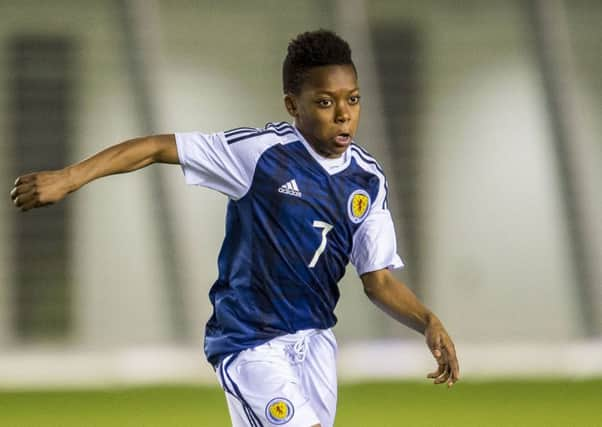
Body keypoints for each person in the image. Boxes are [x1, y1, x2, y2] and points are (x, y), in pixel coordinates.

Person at [10, 29, 459, 427]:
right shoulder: (260, 155)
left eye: (352, 99)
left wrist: (427, 323)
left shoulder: (367, 179)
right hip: (250, 343)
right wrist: (70, 177)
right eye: (325, 102)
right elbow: (153, 148)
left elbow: (377, 280)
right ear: (292, 105)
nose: (343, 114)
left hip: (317, 343)